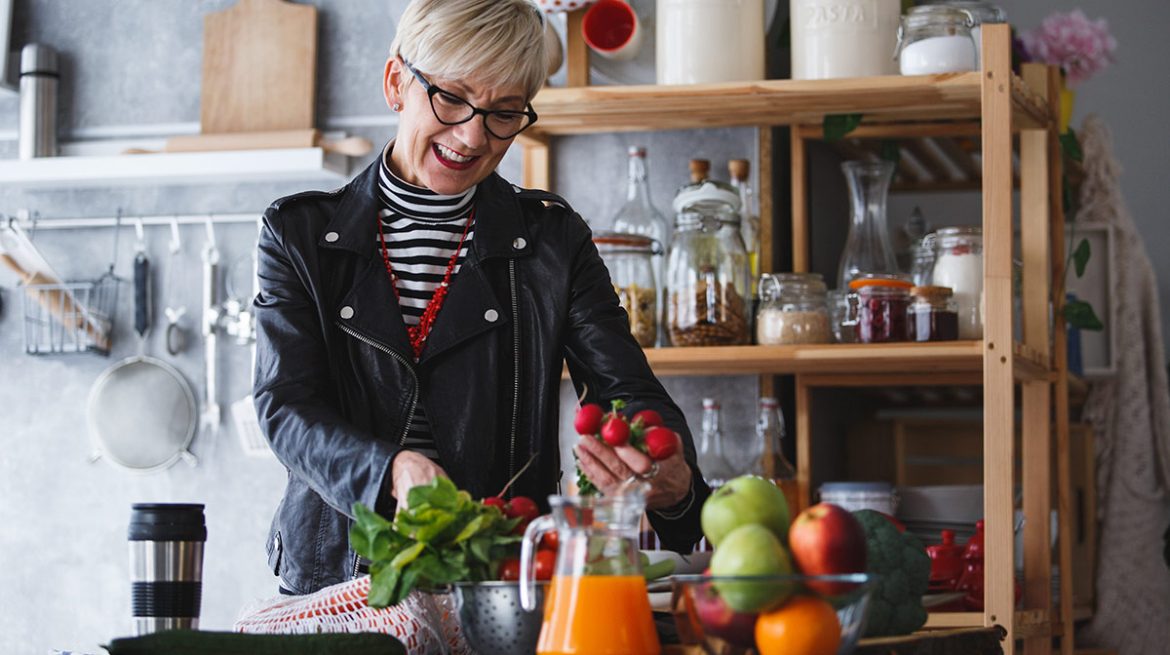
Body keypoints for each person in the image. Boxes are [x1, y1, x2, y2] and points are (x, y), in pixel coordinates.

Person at [253, 0, 709, 595]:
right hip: (334, 582)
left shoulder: (553, 239)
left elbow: (629, 390)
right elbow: (286, 406)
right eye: (451, 97)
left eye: (504, 112)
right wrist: (389, 472)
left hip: (501, 581)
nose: (473, 135)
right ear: (397, 82)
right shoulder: (298, 234)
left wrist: (673, 479)